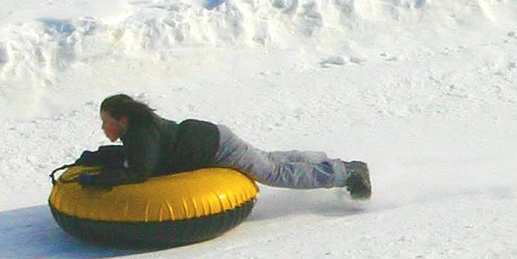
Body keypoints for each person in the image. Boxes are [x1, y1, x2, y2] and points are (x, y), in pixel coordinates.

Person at [75, 94, 371, 199]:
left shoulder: (140, 134)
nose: (103, 128)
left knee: (273, 173)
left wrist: (96, 180)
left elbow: (139, 171)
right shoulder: (137, 130)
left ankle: (347, 174)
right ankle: (322, 161)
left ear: (122, 119)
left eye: (106, 122)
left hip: (217, 148)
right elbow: (133, 157)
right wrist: (92, 157)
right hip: (212, 136)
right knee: (267, 159)